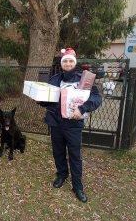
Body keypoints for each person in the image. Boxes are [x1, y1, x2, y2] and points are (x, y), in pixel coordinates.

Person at [39, 48, 102, 203]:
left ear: (74, 62)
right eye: (65, 61)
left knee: (75, 155)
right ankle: (61, 175)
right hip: (56, 123)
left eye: (70, 61)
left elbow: (96, 98)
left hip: (74, 124)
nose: (67, 63)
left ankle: (78, 186)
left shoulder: (84, 79)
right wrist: (40, 99)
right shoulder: (54, 79)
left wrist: (82, 109)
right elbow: (48, 100)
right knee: (58, 152)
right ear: (61, 63)